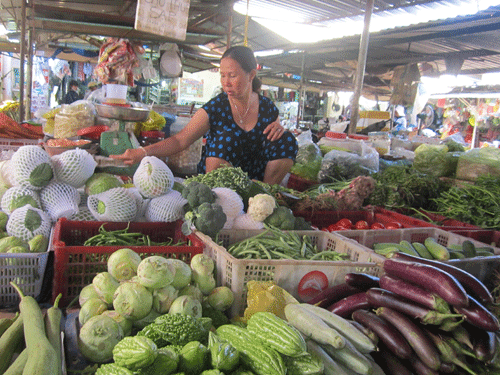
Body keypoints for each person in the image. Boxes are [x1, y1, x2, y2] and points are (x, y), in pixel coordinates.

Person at [111, 46, 298, 185]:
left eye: (232, 75)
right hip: (221, 182)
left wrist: (280, 126)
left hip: (256, 180)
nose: (226, 83)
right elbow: (179, 141)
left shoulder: (267, 108)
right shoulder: (216, 107)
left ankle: (264, 195)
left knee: (287, 140)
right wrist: (142, 152)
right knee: (222, 141)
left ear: (251, 75)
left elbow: (276, 141)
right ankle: (221, 195)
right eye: (222, 76)